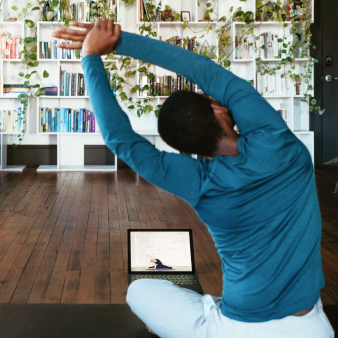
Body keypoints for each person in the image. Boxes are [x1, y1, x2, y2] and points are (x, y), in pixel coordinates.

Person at [52, 19, 334, 338]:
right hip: (312, 329)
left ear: (185, 148)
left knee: (139, 291)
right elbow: (202, 69)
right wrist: (113, 41)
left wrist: (90, 57)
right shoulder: (282, 144)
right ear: (218, 108)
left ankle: (202, 312)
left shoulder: (201, 184)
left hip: (235, 330)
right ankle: (207, 308)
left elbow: (120, 139)